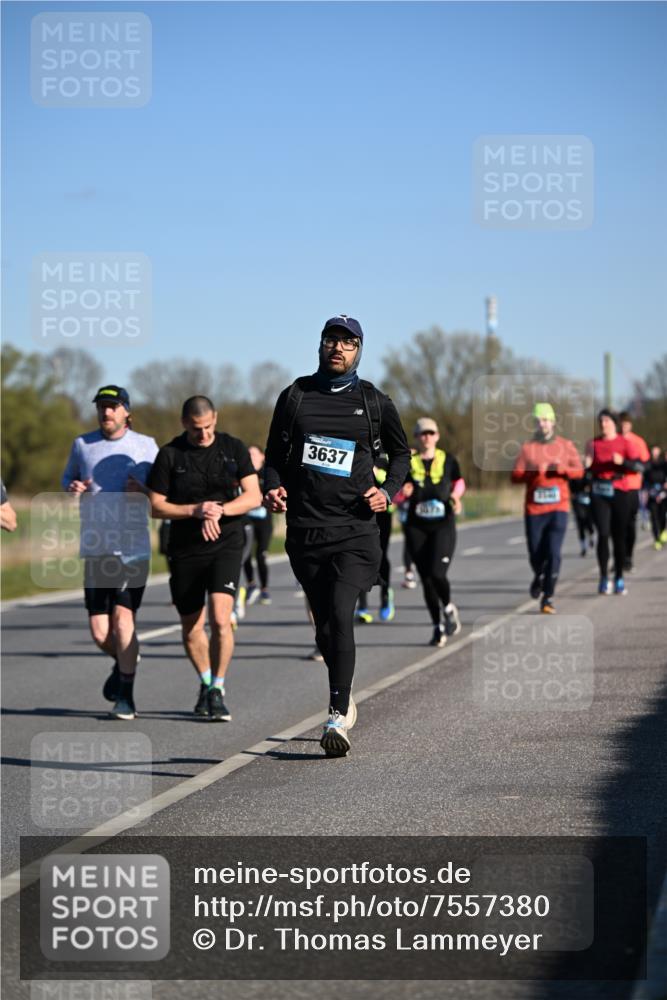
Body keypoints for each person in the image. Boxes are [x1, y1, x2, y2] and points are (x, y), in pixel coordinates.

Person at [264, 315, 410, 757]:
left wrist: (387, 491)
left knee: (341, 612)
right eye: (332, 340)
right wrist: (271, 485)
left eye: (348, 343)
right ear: (321, 345)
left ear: (360, 350)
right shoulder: (295, 396)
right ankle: (345, 694)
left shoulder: (374, 402)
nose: (338, 349)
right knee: (325, 625)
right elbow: (273, 456)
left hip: (355, 529)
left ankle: (336, 713)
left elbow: (402, 455)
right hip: (306, 529)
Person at [148, 396, 261, 722]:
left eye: (209, 426)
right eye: (197, 429)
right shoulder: (170, 454)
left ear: (216, 418)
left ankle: (218, 688)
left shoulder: (233, 447)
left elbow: (252, 496)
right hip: (185, 548)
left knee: (221, 619)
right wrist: (194, 510)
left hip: (226, 543)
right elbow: (155, 505)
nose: (203, 434)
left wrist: (220, 509)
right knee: (190, 627)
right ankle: (206, 680)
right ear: (185, 423)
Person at [61, 385, 158, 720]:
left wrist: (144, 490)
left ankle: (126, 698)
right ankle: (126, 658)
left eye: (113, 406)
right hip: (96, 548)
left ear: (126, 411)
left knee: (122, 620)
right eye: (102, 407)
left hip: (132, 549)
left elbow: (162, 495)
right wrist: (74, 488)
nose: (106, 412)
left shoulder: (146, 446)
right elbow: (67, 482)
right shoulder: (82, 445)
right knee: (101, 633)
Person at [511, 403, 583, 613]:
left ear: (552, 422)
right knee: (535, 553)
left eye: (545, 420)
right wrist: (531, 472)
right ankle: (539, 576)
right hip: (534, 509)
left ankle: (548, 596)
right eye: (538, 420)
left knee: (553, 552)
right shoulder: (527, 447)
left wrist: (562, 469)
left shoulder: (565, 445)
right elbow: (514, 476)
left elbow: (579, 471)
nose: (542, 424)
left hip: (558, 507)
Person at [401, 417, 465, 644]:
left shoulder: (448, 459)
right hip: (416, 526)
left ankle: (448, 608)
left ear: (437, 436)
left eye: (430, 433)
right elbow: (395, 490)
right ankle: (437, 627)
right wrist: (403, 493)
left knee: (438, 574)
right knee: (426, 580)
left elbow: (459, 482)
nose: (426, 437)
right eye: (422, 434)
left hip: (442, 524)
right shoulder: (407, 461)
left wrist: (456, 497)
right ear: (417, 438)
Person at [585, 409, 644, 595]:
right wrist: (584, 466)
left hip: (620, 492)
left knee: (619, 536)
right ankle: (603, 577)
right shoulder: (592, 443)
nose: (603, 424)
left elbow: (639, 466)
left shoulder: (625, 442)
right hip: (599, 492)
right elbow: (587, 470)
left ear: (614, 423)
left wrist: (623, 462)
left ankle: (618, 577)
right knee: (603, 534)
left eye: (607, 421)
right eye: (601, 421)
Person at [355, 453, 395, 623]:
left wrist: (375, 471)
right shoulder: (357, 451)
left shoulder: (384, 456)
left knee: (379, 555)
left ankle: (386, 594)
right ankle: (362, 605)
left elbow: (394, 479)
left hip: (382, 512)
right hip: (358, 513)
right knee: (358, 557)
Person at [242, 445, 274, 606]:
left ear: (262, 456)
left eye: (254, 454)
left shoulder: (267, 474)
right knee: (245, 553)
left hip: (263, 520)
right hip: (246, 518)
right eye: (249, 455)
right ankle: (251, 584)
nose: (251, 457)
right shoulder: (244, 472)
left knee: (261, 554)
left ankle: (265, 589)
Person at [619, 411, 650, 572]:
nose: (623, 427)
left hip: (632, 488)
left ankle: (628, 556)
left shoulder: (638, 442)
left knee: (630, 525)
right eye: (621, 424)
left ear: (630, 425)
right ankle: (619, 558)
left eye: (626, 424)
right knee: (617, 526)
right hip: (615, 488)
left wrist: (628, 464)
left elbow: (645, 465)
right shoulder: (613, 441)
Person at [643, 445, 667, 550]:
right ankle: (656, 539)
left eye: (657, 452)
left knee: (662, 517)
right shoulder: (647, 465)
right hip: (652, 494)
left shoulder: (664, 464)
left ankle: (662, 533)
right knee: (654, 518)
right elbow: (644, 480)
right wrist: (647, 491)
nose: (655, 454)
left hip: (663, 494)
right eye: (653, 452)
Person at [570, 472, 595, 557]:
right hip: (577, 501)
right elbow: (570, 487)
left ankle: (592, 537)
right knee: (580, 523)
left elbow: (592, 485)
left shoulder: (588, 472)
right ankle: (583, 547)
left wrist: (588, 486)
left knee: (589, 523)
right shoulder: (573, 474)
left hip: (589, 502)